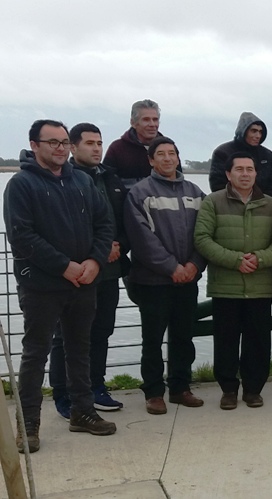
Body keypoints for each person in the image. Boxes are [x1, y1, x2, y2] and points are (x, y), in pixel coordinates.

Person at [6, 119, 116, 453]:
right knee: (35, 353)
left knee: (80, 349)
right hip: (41, 286)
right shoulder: (21, 185)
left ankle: (82, 412)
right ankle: (28, 425)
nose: (60, 148)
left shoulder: (82, 181)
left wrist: (94, 261)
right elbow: (22, 236)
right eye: (52, 142)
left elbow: (105, 223)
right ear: (34, 145)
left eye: (64, 142)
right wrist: (64, 266)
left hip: (84, 281)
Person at [49, 123, 130, 420]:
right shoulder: (62, 178)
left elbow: (124, 219)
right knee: (65, 336)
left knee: (101, 332)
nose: (96, 148)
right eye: (89, 143)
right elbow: (62, 227)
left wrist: (119, 245)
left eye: (99, 143)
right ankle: (63, 393)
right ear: (73, 147)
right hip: (77, 272)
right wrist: (97, 251)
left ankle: (95, 387)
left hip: (109, 271)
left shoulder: (110, 178)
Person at [124, 136, 206, 415]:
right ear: (151, 160)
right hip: (152, 282)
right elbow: (142, 239)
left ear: (178, 157)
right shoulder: (139, 193)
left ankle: (181, 388)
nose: (168, 158)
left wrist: (194, 265)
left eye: (172, 153)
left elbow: (205, 233)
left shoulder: (195, 192)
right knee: (152, 340)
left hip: (188, 280)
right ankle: (153, 392)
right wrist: (172, 268)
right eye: (161, 154)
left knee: (183, 337)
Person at [194, 152, 272, 410]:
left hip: (260, 285)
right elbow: (202, 238)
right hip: (226, 286)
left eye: (250, 169)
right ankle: (228, 390)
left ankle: (253, 390)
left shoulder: (270, 204)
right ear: (228, 174)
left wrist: (260, 258)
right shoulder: (213, 202)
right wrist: (235, 260)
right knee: (226, 341)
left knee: (258, 341)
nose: (245, 174)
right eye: (239, 169)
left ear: (256, 173)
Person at [208, 112, 272, 202]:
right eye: (254, 131)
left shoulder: (268, 156)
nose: (258, 136)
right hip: (229, 204)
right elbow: (217, 183)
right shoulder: (222, 152)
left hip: (262, 204)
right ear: (243, 131)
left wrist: (265, 203)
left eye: (260, 132)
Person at [104, 99, 177, 188]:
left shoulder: (169, 148)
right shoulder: (117, 149)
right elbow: (106, 183)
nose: (152, 124)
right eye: (146, 120)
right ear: (133, 123)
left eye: (155, 120)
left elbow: (178, 182)